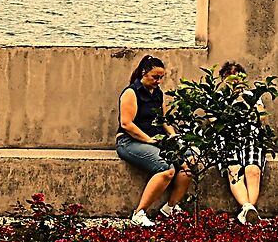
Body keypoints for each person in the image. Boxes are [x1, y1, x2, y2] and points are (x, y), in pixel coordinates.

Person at [115, 56, 193, 227]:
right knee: (166, 169)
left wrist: (173, 136)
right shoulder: (131, 92)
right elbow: (126, 124)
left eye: (161, 77)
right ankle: (139, 213)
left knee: (190, 160)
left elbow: (164, 120)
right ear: (144, 73)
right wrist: (149, 140)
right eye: (155, 77)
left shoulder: (158, 94)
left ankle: (170, 208)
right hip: (130, 142)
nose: (158, 81)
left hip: (156, 140)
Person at [209, 60, 269, 225]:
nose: (235, 84)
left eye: (238, 79)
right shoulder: (218, 98)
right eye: (230, 80)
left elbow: (262, 118)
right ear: (223, 80)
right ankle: (248, 209)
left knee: (252, 170)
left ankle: (248, 211)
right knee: (234, 170)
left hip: (250, 136)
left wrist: (245, 102)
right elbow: (214, 120)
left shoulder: (251, 96)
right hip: (227, 137)